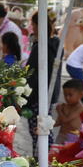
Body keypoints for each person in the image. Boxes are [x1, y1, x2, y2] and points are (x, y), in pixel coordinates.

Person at [25, 11, 63, 156]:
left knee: (39, 130)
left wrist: (25, 97)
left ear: (37, 25)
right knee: (44, 127)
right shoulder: (56, 44)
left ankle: (42, 160)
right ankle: (45, 158)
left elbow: (31, 75)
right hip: (49, 92)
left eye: (33, 24)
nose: (31, 27)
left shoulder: (40, 46)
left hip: (37, 95)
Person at [54, 79, 83, 144]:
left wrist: (59, 111)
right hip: (61, 135)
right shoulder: (64, 106)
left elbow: (66, 120)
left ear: (81, 94)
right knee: (55, 153)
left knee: (68, 153)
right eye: (65, 95)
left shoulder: (81, 108)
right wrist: (46, 125)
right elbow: (59, 122)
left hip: (73, 137)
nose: (67, 98)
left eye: (70, 95)